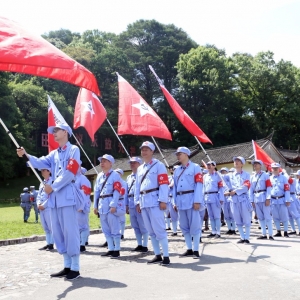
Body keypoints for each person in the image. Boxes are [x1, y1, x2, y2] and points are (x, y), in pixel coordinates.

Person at [17, 123, 84, 280]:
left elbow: (70, 172)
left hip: (66, 196)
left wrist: (52, 186)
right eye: (53, 131)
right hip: (54, 200)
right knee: (58, 232)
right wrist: (26, 155)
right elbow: (40, 162)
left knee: (70, 231)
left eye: (56, 130)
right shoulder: (54, 154)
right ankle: (67, 265)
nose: (53, 133)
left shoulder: (74, 150)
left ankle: (75, 267)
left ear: (65, 132)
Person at [134, 141, 170, 266]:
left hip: (155, 201)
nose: (144, 152)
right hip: (144, 201)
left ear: (152, 151)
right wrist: (137, 202)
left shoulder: (159, 165)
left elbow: (164, 184)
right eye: (142, 149)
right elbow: (137, 187)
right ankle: (157, 255)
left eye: (146, 149)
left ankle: (166, 256)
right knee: (151, 231)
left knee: (159, 229)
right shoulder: (139, 168)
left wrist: (163, 200)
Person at [173, 147, 204, 258]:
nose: (177, 156)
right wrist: (174, 201)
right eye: (177, 154)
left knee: (194, 226)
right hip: (180, 201)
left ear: (186, 154)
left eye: (179, 153)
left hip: (191, 199)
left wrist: (197, 201)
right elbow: (175, 188)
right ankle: (189, 248)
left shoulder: (195, 167)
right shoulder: (177, 170)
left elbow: (199, 185)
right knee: (184, 226)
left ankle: (196, 250)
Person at [93, 154, 123, 259]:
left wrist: (114, 204)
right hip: (102, 204)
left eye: (104, 161)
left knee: (114, 228)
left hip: (110, 204)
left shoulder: (115, 175)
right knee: (105, 228)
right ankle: (110, 248)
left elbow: (117, 191)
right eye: (101, 161)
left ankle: (117, 249)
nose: (102, 163)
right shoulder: (99, 175)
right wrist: (95, 205)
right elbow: (96, 191)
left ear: (111, 163)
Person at [225, 156, 253, 244]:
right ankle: (242, 237)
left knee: (246, 218)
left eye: (238, 161)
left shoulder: (246, 175)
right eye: (235, 161)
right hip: (233, 200)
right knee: (237, 219)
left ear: (242, 164)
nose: (236, 162)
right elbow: (221, 180)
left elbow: (246, 186)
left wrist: (235, 191)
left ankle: (247, 237)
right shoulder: (230, 175)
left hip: (243, 199)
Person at [125, 157, 149, 252]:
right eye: (131, 163)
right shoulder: (128, 177)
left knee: (142, 224)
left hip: (140, 202)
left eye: (134, 163)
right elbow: (126, 192)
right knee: (135, 225)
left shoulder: (142, 175)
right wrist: (126, 205)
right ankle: (139, 244)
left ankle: (145, 245)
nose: (132, 164)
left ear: (139, 164)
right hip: (131, 202)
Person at [249, 160, 273, 240]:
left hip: (264, 196)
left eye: (256, 164)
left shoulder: (265, 175)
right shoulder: (252, 176)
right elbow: (251, 190)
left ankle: (270, 234)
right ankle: (263, 234)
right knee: (260, 217)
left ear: (260, 165)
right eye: (254, 164)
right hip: (256, 198)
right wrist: (251, 200)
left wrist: (268, 198)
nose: (255, 165)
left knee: (267, 217)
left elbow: (269, 187)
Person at [203, 161, 224, 238]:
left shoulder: (218, 176)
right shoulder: (205, 176)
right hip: (207, 196)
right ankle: (213, 231)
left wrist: (221, 198)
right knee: (211, 216)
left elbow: (221, 188)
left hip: (215, 196)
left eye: (210, 165)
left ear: (214, 166)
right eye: (207, 165)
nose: (208, 166)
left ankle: (218, 232)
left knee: (216, 216)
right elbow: (203, 188)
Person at [269, 163, 290, 237]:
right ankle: (278, 231)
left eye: (276, 168)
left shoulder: (283, 178)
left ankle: (286, 231)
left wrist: (287, 199)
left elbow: (287, 189)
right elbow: (268, 190)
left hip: (282, 199)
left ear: (279, 169)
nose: (275, 169)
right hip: (273, 200)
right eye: (273, 168)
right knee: (275, 217)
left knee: (284, 216)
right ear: (271, 169)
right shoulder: (269, 178)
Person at [37, 168, 54, 250]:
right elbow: (39, 195)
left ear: (49, 171)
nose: (42, 172)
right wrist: (38, 204)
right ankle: (48, 243)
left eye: (44, 170)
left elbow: (52, 195)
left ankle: (52, 243)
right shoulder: (42, 182)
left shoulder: (52, 181)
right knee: (45, 227)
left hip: (48, 207)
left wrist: (44, 205)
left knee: (51, 226)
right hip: (41, 208)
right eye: (41, 170)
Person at [75, 167, 92, 253]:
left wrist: (82, 206)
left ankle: (82, 245)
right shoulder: (73, 178)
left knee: (83, 227)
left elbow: (86, 194)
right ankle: (79, 243)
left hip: (81, 207)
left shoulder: (83, 179)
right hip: (74, 207)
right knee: (77, 227)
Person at [220, 167, 236, 234]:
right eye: (222, 172)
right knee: (226, 214)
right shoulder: (221, 182)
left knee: (232, 214)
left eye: (224, 171)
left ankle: (234, 229)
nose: (223, 173)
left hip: (230, 198)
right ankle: (229, 228)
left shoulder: (230, 179)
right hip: (224, 199)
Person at [115, 168, 127, 239]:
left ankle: (122, 233)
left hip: (121, 201)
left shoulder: (123, 183)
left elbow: (124, 194)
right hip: (115, 202)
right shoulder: (114, 182)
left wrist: (125, 204)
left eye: (118, 173)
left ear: (121, 174)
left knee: (122, 219)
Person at [167, 165, 179, 236]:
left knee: (181, 216)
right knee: (173, 216)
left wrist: (168, 186)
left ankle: (184, 231)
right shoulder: (170, 178)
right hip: (171, 198)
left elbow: (171, 185)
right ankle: (174, 231)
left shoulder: (179, 178)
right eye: (174, 169)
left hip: (178, 198)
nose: (174, 171)